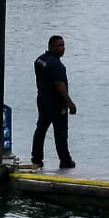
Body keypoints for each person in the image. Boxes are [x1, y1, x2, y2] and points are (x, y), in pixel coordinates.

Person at [31, 35, 76, 169]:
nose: (63, 48)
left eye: (63, 45)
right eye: (60, 46)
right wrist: (70, 103)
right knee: (60, 132)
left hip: (42, 99)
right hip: (56, 103)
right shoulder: (57, 65)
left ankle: (36, 158)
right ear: (51, 46)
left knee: (41, 128)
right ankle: (65, 160)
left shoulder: (39, 60)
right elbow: (59, 85)